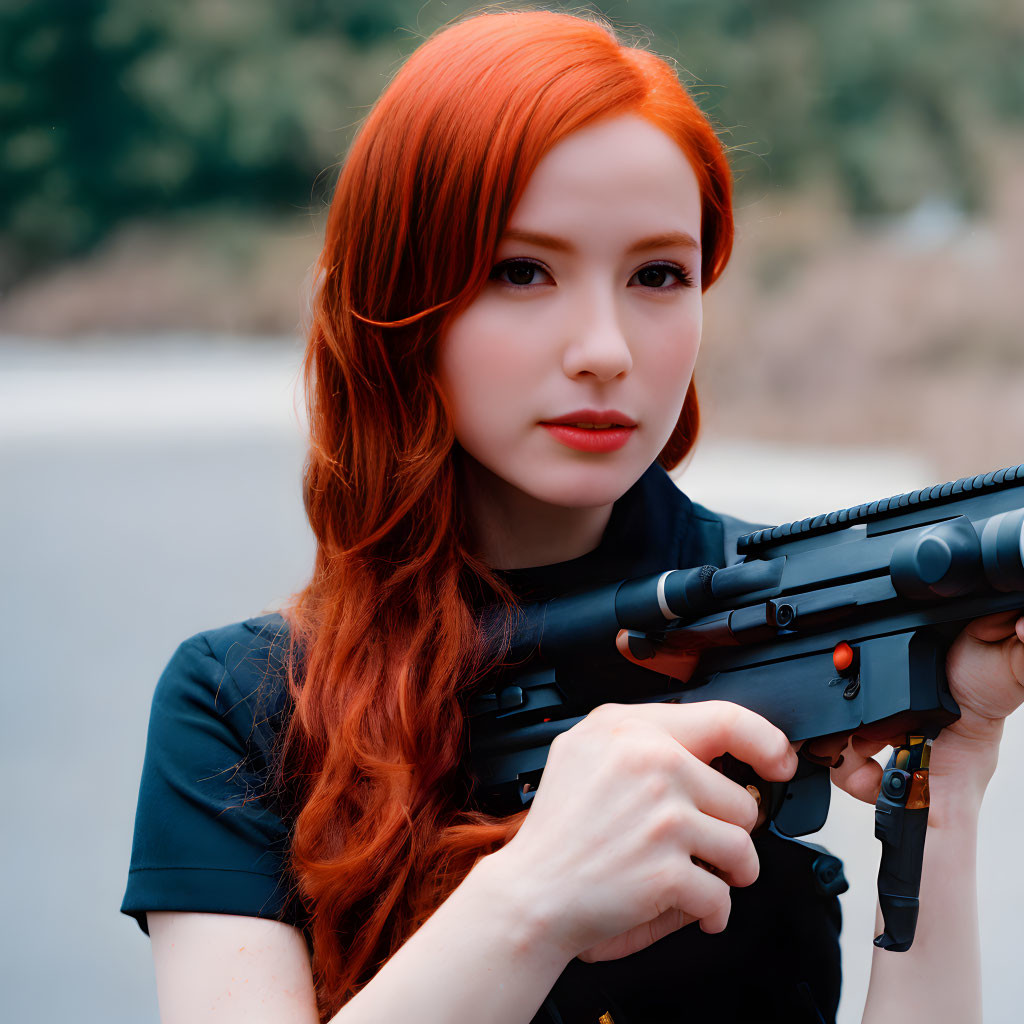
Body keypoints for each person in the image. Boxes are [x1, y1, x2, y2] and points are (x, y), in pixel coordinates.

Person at [121, 9, 1024, 1024]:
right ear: (398, 302)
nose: (604, 346)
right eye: (521, 270)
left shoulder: (788, 612)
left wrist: (946, 792)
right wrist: (532, 900)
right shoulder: (244, 704)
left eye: (656, 275)